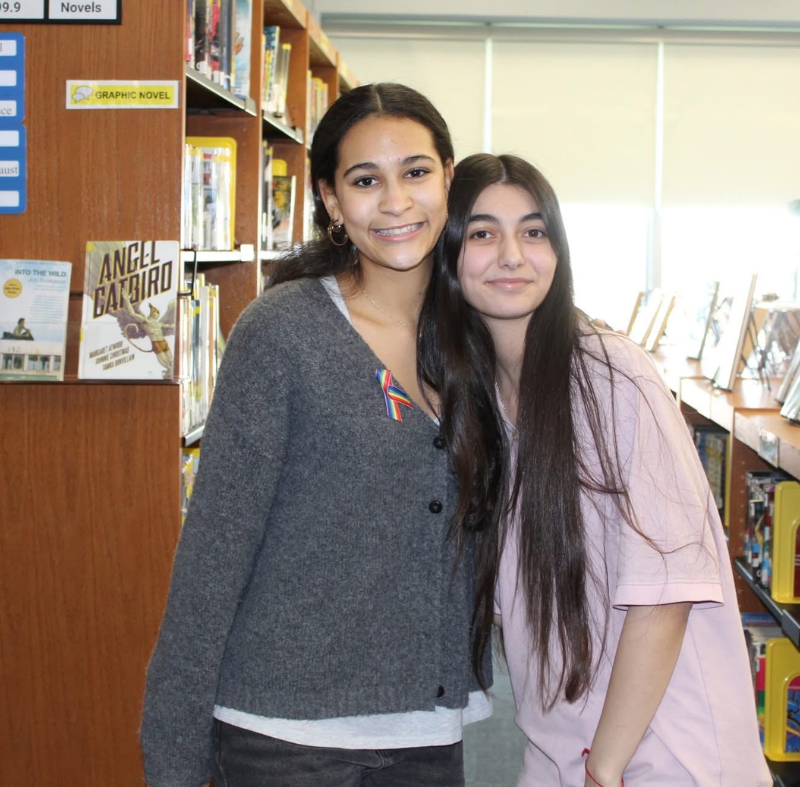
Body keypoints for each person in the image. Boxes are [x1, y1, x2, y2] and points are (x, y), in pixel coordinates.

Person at [140, 84, 492, 787]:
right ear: (332, 201)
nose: (396, 201)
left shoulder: (477, 334)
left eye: (416, 172)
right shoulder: (282, 332)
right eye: (366, 181)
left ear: (449, 178)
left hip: (430, 728)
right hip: (286, 737)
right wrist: (173, 759)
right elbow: (213, 554)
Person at [419, 153, 771, 786]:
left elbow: (666, 594)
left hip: (661, 756)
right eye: (481, 233)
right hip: (563, 748)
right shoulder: (483, 405)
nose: (512, 255)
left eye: (534, 231)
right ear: (447, 254)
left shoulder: (613, 376)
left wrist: (603, 768)